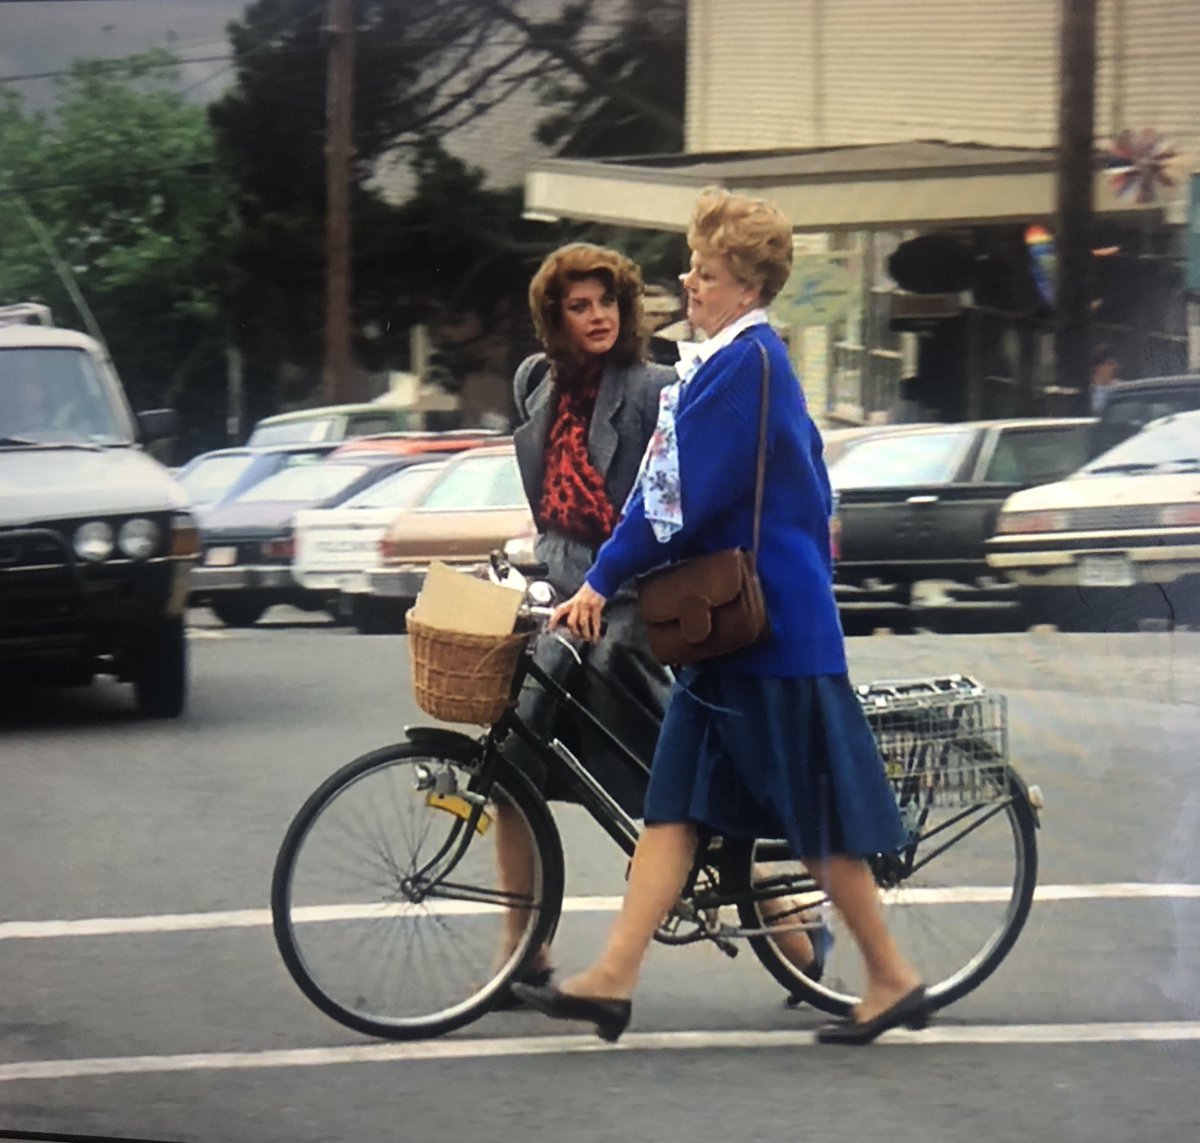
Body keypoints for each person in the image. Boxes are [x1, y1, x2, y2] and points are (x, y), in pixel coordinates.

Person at [513, 189, 926, 1046]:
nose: (687, 283)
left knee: (812, 820)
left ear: (742, 285)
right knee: (671, 808)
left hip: (765, 634)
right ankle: (614, 978)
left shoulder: (747, 367)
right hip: (731, 632)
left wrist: (601, 581)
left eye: (702, 272)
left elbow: (673, 502)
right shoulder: (730, 363)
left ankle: (890, 974)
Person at [494, 242, 675, 1002]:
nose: (597, 316)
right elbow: (553, 516)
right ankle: (520, 950)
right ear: (554, 318)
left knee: (674, 793)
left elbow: (660, 515)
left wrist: (604, 584)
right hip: (563, 610)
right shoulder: (539, 385)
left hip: (625, 611)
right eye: (580, 305)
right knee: (510, 766)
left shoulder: (653, 388)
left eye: (607, 301)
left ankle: (794, 927)